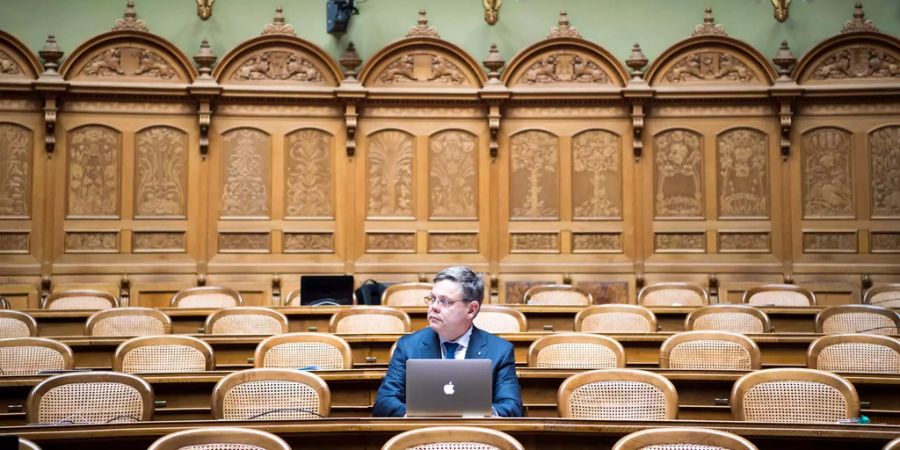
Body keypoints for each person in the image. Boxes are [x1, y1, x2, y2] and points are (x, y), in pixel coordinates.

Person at [372, 265, 523, 417]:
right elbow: (384, 402)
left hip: (475, 436)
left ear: (471, 309)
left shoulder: (499, 351)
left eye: (444, 301)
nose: (433, 307)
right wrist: (416, 415)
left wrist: (481, 413)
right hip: (420, 435)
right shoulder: (408, 346)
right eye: (432, 299)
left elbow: (512, 407)